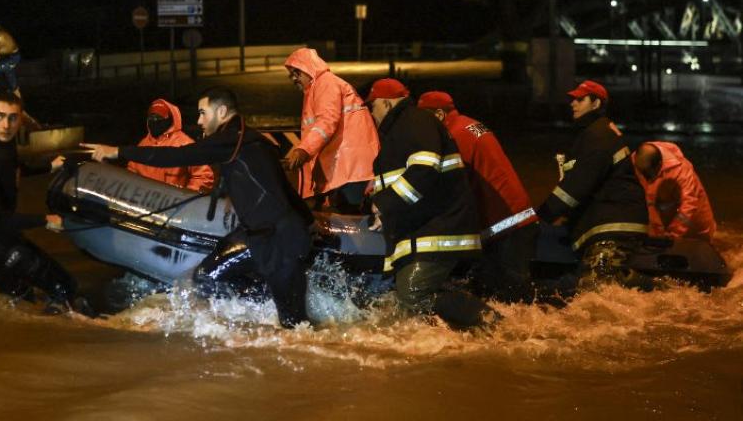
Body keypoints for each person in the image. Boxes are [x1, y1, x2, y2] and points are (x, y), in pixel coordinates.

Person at [82, 87, 314, 328]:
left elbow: (177, 156)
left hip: (279, 240)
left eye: (203, 113)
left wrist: (118, 151)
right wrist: (309, 221)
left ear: (222, 112)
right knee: (206, 277)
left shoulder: (232, 140)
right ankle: (245, 324)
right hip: (256, 235)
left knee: (295, 327)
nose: (199, 120)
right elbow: (284, 189)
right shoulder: (251, 140)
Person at [365, 79, 491, 328]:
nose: (371, 113)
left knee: (413, 293)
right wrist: (384, 213)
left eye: (373, 106)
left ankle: (493, 324)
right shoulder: (406, 128)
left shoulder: (414, 122)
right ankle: (469, 336)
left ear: (387, 103)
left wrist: (385, 205)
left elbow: (424, 170)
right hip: (426, 229)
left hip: (438, 229)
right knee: (409, 299)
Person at [0, 91, 91, 314]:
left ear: (21, 119)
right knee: (64, 287)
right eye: (0, 116)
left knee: (23, 302)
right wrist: (45, 219)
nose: (6, 125)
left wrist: (50, 166)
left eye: (13, 118)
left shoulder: (4, 144)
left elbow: (13, 169)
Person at [418, 91, 537, 303]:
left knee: (509, 297)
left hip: (504, 224)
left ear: (438, 114)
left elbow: (449, 185)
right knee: (510, 296)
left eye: (423, 119)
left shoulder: (454, 136)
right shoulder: (469, 125)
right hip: (516, 217)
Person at [535, 80, 649, 289]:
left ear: (596, 104)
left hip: (613, 228)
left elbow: (575, 188)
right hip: (610, 223)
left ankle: (656, 288)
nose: (573, 104)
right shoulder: (597, 133)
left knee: (596, 287)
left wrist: (540, 216)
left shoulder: (598, 136)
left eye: (580, 99)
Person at [282, 48, 379, 210]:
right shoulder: (319, 87)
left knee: (351, 220)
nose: (294, 79)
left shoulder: (325, 83)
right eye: (291, 75)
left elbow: (327, 121)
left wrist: (304, 150)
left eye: (296, 73)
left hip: (350, 169)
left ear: (307, 69)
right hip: (348, 167)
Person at [632, 141, 716, 242]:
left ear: (659, 165)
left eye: (648, 175)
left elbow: (688, 205)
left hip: (692, 214)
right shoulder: (635, 163)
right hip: (661, 212)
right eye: (643, 173)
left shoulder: (682, 170)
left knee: (699, 238)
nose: (646, 178)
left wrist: (673, 234)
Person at [126, 98, 215, 192]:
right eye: (152, 117)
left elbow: (204, 175)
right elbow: (131, 172)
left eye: (159, 118)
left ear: (170, 119)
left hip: (172, 204)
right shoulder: (143, 144)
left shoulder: (185, 144)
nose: (155, 120)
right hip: (146, 201)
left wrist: (185, 196)